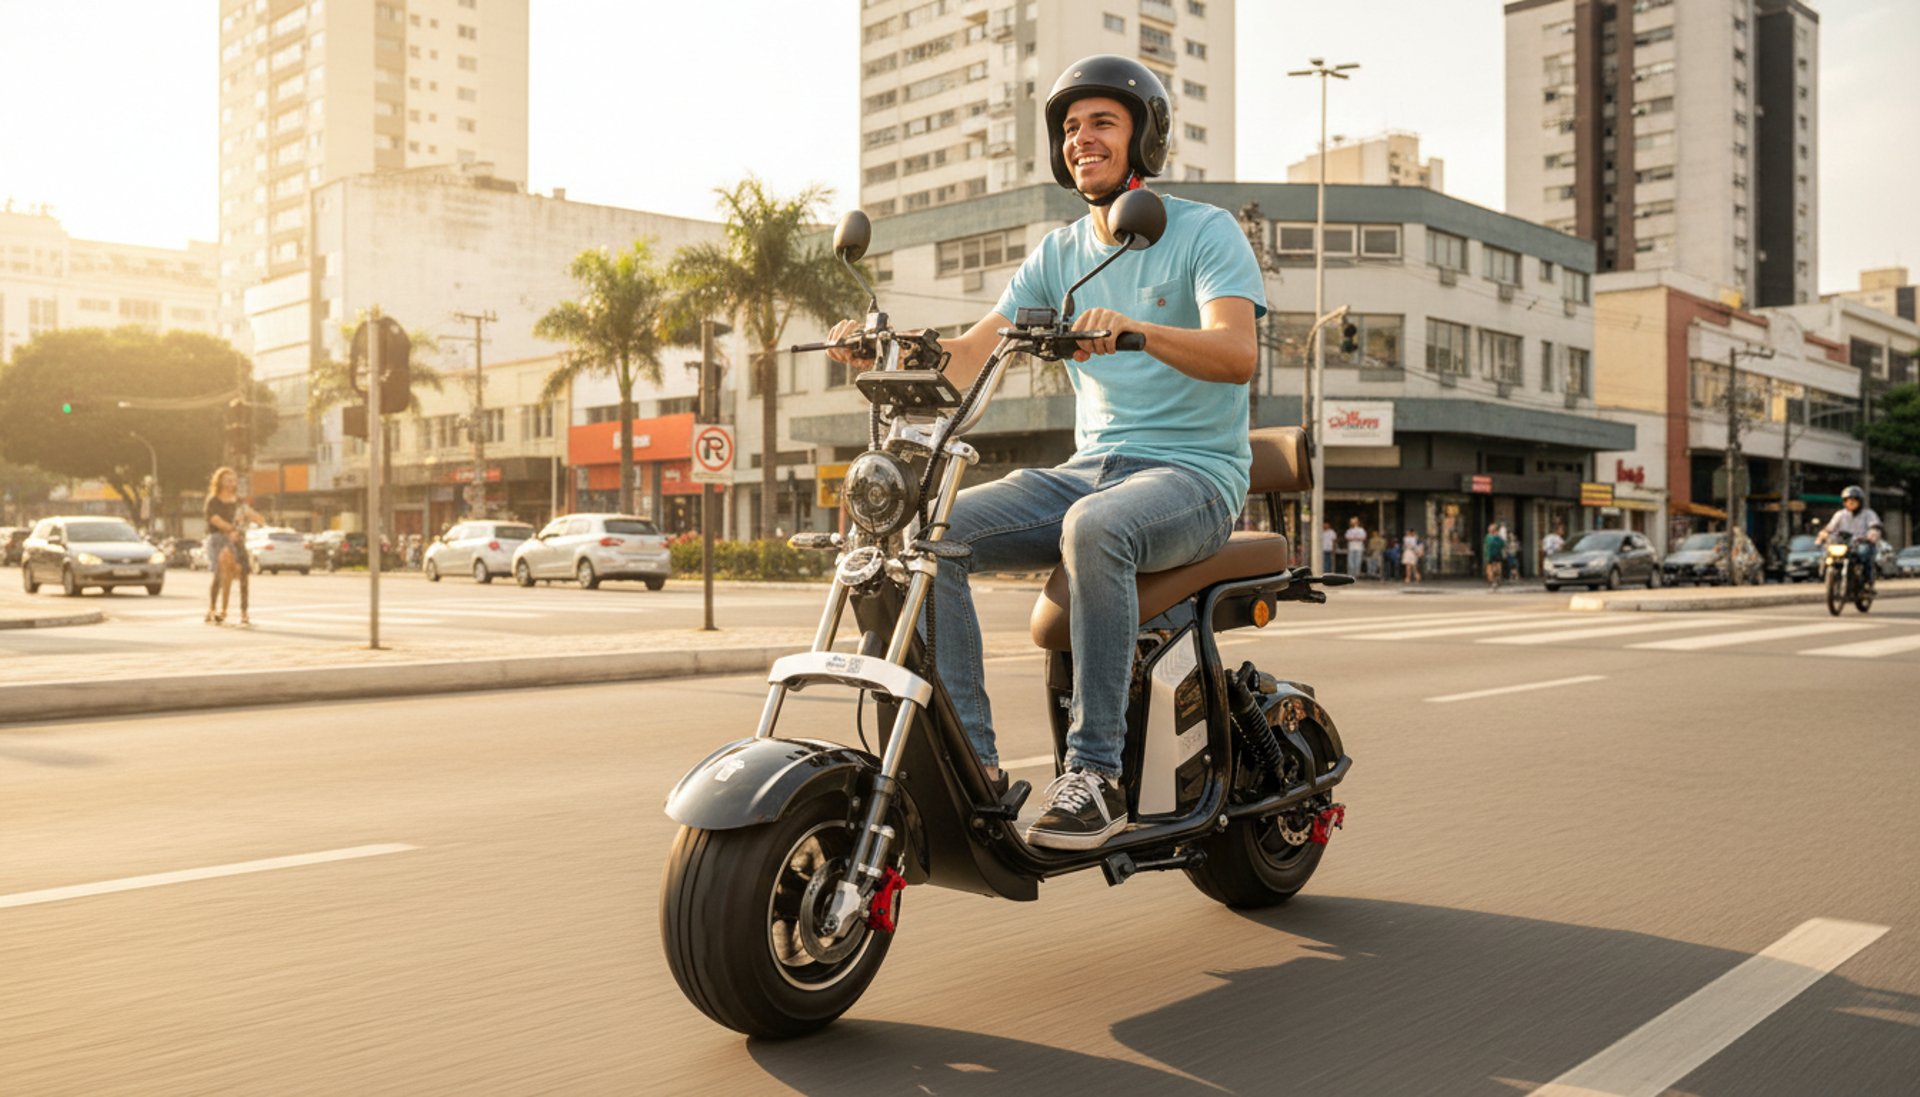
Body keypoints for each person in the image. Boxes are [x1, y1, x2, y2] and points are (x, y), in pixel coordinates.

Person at [825, 54, 1264, 850]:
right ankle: (977, 766)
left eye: (1102, 123)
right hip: (1091, 470)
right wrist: (888, 352)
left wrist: (1136, 330)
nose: (1081, 138)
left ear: (1144, 138)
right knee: (937, 531)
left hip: (1196, 475)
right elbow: (969, 355)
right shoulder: (1058, 254)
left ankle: (1096, 775)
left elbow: (1238, 354)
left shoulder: (1204, 231)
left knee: (1094, 527)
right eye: (1069, 127)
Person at [202, 467, 264, 625]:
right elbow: (215, 520)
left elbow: (254, 516)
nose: (231, 483)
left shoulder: (239, 502)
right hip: (219, 539)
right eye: (227, 480)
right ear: (219, 481)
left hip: (237, 540)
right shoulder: (213, 501)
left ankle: (244, 611)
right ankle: (213, 608)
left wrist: (256, 518)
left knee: (244, 573)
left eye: (233, 480)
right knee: (220, 574)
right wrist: (231, 529)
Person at [1816, 485, 1883, 582]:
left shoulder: (1868, 514)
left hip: (1860, 543)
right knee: (1828, 554)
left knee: (1864, 554)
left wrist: (1872, 535)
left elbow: (1875, 526)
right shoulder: (1840, 515)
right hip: (1843, 544)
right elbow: (1830, 528)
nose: (1851, 503)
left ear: (1860, 501)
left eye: (1854, 500)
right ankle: (1824, 573)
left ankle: (1866, 579)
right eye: (1848, 500)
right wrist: (1823, 535)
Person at [1484, 522, 1506, 591]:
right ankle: (1496, 580)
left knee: (1490, 569)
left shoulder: (1488, 537)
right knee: (1497, 568)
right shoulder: (1499, 538)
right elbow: (1502, 545)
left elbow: (1487, 546)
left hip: (1491, 555)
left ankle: (1494, 582)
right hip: (1497, 555)